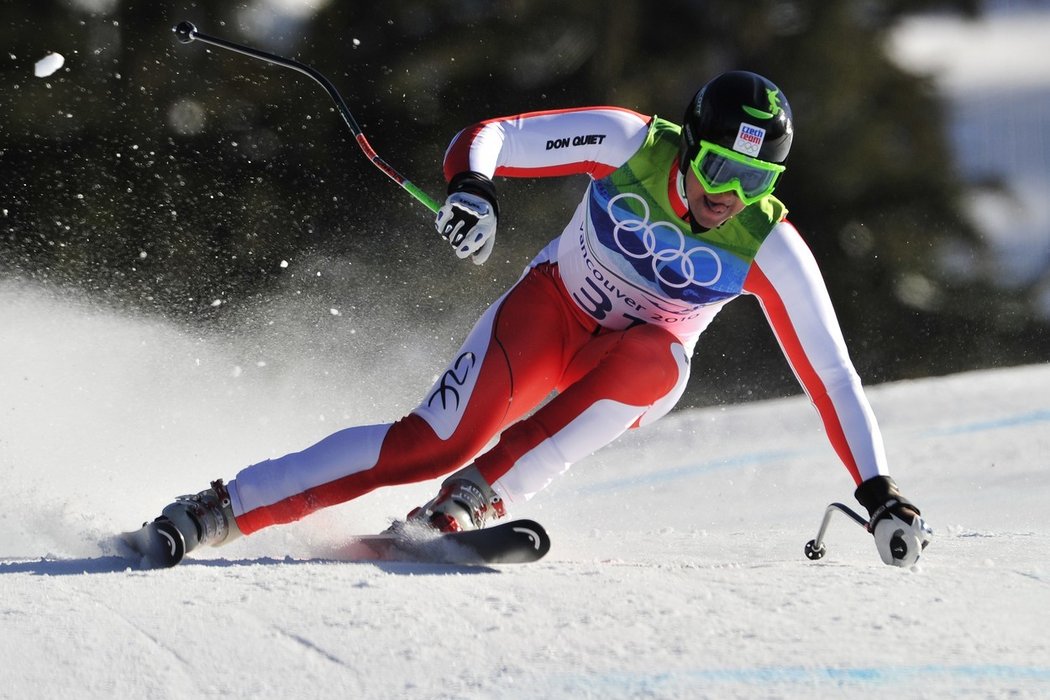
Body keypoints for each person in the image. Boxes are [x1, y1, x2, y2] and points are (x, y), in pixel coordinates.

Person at [154, 71, 932, 567]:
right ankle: (221, 508)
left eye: (757, 178)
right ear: (690, 148)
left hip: (624, 368)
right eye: (722, 168)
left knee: (662, 361)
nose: (731, 193)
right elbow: (488, 138)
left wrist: (879, 491)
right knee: (430, 443)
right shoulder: (630, 143)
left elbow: (830, 373)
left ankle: (474, 501)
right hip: (550, 314)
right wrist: (474, 190)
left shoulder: (770, 243)